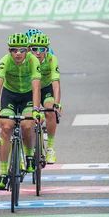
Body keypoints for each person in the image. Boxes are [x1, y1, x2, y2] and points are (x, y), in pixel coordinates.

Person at [0, 33, 42, 190]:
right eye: (14, 50)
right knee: (6, 128)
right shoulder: (4, 61)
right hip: (10, 95)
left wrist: (35, 109)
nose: (18, 53)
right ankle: (2, 173)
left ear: (27, 50)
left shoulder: (33, 60)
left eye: (21, 50)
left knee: (27, 125)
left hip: (28, 95)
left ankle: (29, 156)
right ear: (9, 51)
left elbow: (36, 87)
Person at [28, 33, 62, 164]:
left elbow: (56, 84)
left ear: (46, 50)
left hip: (46, 89)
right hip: (30, 89)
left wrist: (56, 104)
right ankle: (33, 147)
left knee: (50, 111)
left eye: (41, 49)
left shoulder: (52, 59)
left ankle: (50, 149)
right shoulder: (27, 60)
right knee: (28, 117)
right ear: (30, 49)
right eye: (34, 49)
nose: (38, 52)